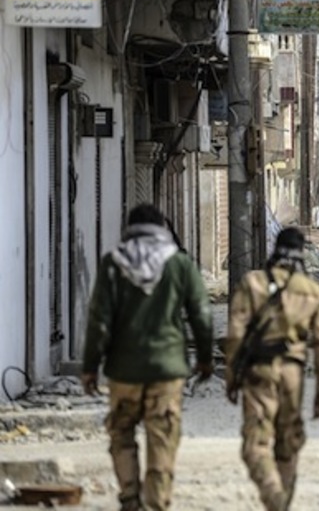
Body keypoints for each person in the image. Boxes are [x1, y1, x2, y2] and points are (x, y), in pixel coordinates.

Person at [81, 204, 212, 511]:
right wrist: (205, 359)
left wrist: (90, 368)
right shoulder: (180, 264)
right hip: (166, 371)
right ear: (162, 229)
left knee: (122, 434)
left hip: (123, 371)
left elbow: (99, 320)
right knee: (162, 436)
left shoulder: (113, 263)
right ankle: (157, 503)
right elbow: (201, 315)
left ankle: (129, 499)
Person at [225, 227, 319, 511]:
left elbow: (236, 334)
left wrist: (231, 377)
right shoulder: (312, 291)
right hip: (293, 374)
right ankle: (282, 501)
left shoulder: (252, 283)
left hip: (259, 371)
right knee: (288, 443)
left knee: (256, 446)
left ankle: (274, 499)